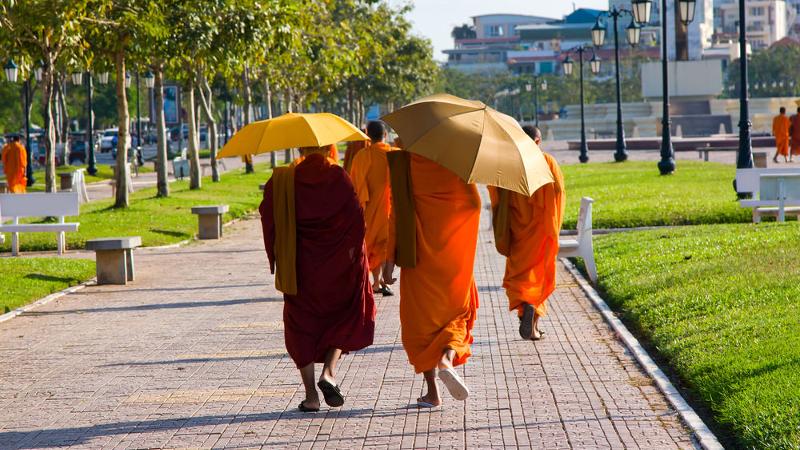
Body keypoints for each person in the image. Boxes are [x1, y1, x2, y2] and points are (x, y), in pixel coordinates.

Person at [259, 145, 376, 413]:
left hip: (301, 268)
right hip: (339, 267)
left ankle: (311, 396)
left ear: (301, 148)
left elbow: (268, 215)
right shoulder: (338, 177)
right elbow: (357, 219)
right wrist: (355, 257)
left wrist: (275, 257)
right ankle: (329, 372)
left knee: (301, 325)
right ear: (327, 149)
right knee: (345, 315)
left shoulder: (284, 180)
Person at [385, 150, 481, 408]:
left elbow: (395, 213)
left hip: (418, 261)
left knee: (420, 326)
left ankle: (432, 393)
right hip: (454, 260)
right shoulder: (459, 163)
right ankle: (447, 359)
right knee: (457, 315)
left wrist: (388, 261)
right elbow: (474, 205)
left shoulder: (404, 164)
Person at [488, 125, 565, 341]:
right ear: (538, 142)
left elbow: (496, 191)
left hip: (518, 232)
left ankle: (527, 312)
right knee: (539, 278)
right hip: (542, 232)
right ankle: (532, 319)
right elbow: (559, 192)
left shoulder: (510, 165)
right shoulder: (547, 162)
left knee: (518, 277)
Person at [349, 121, 395, 296]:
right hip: (387, 209)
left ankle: (376, 282)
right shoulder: (393, 155)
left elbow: (353, 184)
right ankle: (380, 281)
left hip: (366, 209)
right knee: (384, 244)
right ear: (385, 135)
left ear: (368, 135)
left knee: (371, 244)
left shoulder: (361, 156)